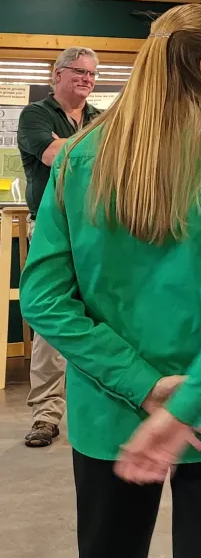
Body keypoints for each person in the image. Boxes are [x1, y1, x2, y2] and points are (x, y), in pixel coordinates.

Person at [19, 3, 201, 558]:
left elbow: (43, 299)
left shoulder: (75, 160)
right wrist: (186, 400)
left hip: (109, 411)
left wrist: (141, 385)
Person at [16, 46, 102, 447]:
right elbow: (51, 155)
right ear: (58, 75)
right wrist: (87, 152)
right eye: (79, 72)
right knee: (52, 319)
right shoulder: (35, 115)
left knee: (102, 313)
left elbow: (115, 159)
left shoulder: (101, 118)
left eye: (92, 74)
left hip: (98, 229)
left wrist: (69, 150)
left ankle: (107, 401)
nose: (86, 79)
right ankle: (47, 414)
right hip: (51, 230)